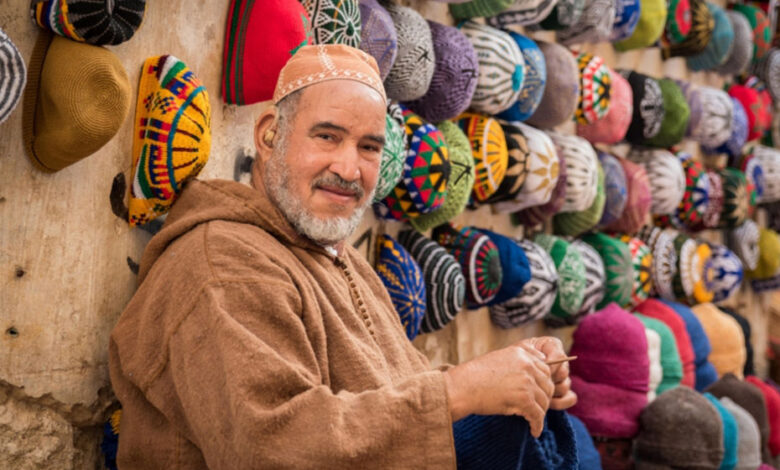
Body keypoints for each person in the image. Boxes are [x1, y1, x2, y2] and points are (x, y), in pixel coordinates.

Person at [109, 44, 576, 469]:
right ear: (270, 136)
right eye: (327, 137)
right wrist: (457, 393)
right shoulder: (223, 264)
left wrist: (513, 379)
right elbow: (269, 446)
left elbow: (390, 390)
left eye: (369, 147)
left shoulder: (338, 259)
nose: (349, 169)